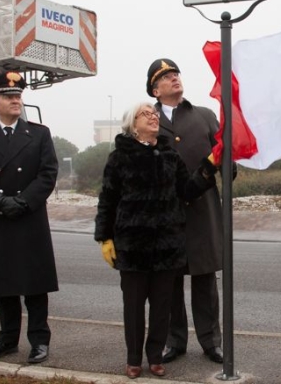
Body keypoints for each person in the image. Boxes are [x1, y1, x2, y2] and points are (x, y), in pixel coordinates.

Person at [94, 102, 218, 380]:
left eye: (154, 113)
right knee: (134, 308)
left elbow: (187, 190)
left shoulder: (170, 156)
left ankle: (155, 356)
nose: (153, 117)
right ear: (132, 123)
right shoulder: (119, 158)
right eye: (146, 114)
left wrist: (209, 168)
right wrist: (105, 237)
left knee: (163, 308)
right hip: (133, 246)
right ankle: (133, 359)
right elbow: (108, 200)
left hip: (167, 246)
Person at [0, 71, 58, 365]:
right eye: (9, 96)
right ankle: (6, 340)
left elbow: (48, 173)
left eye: (18, 96)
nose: (16, 100)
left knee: (34, 285)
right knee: (3, 284)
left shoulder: (39, 133)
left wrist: (23, 201)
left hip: (29, 218)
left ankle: (39, 341)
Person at [145, 58, 225, 365]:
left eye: (176, 73)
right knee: (170, 283)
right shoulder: (147, 118)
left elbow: (222, 153)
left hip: (203, 210)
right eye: (166, 77)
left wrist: (229, 169)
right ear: (155, 88)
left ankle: (211, 341)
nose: (174, 78)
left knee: (205, 280)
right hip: (166, 214)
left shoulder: (204, 115)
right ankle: (174, 340)